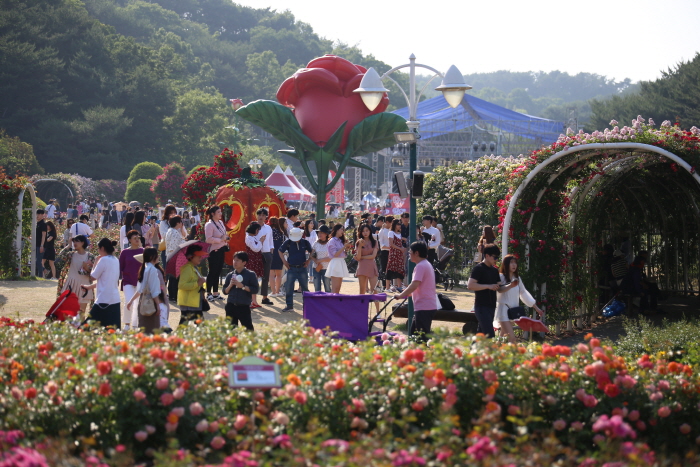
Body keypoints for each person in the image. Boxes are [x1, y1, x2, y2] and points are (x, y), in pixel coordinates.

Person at [494, 255, 544, 343]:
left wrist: (537, 309)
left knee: (502, 337)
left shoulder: (517, 278)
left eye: (515, 262)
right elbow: (499, 289)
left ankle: (493, 353)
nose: (514, 265)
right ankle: (516, 355)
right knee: (512, 338)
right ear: (506, 264)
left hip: (512, 312)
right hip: (503, 311)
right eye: (511, 262)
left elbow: (524, 293)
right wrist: (510, 285)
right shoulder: (501, 276)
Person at [393, 242, 437, 341]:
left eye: (410, 251)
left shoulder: (420, 266)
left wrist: (400, 295)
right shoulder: (426, 264)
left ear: (416, 253)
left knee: (420, 338)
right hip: (426, 306)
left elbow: (414, 285)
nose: (409, 253)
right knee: (414, 335)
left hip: (424, 307)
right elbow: (418, 287)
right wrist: (405, 293)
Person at [127, 248, 169, 334]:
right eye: (156, 255)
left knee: (144, 329)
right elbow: (154, 291)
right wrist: (158, 305)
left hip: (143, 302)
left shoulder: (145, 268)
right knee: (153, 330)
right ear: (151, 257)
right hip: (152, 303)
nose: (158, 257)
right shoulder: (153, 270)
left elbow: (140, 290)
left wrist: (130, 301)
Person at [82, 239, 121, 328]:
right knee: (112, 330)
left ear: (102, 248)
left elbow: (93, 276)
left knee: (87, 327)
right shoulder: (115, 260)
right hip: (115, 300)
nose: (98, 251)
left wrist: (95, 261)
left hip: (103, 300)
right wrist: (89, 287)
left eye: (98, 249)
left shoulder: (103, 260)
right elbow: (107, 281)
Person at [55, 235, 95, 318]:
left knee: (81, 312)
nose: (75, 243)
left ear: (83, 242)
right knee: (68, 311)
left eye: (77, 241)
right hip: (71, 284)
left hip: (84, 286)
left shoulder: (90, 256)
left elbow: (94, 273)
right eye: (74, 241)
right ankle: (70, 329)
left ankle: (80, 329)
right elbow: (60, 256)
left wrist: (87, 268)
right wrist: (68, 245)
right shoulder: (71, 254)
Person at [467, 243, 501, 338]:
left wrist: (511, 285)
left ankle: (473, 351)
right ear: (487, 255)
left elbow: (500, 286)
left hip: (491, 306)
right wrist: (488, 286)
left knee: (481, 334)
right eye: (495, 257)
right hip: (481, 307)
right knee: (489, 334)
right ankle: (492, 352)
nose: (496, 260)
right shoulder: (478, 268)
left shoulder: (494, 271)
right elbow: (470, 285)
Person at [223, 251, 259, 330]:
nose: (235, 262)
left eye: (237, 260)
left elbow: (255, 290)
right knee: (230, 331)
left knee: (248, 330)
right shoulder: (230, 275)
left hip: (243, 307)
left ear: (244, 262)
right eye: (234, 260)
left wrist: (243, 286)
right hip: (230, 305)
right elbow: (225, 292)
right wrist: (230, 285)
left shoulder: (251, 274)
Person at [278, 227, 312, 312]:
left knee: (304, 288)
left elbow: (312, 251)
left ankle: (306, 306)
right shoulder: (288, 242)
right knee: (289, 287)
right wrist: (284, 261)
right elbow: (280, 251)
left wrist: (308, 261)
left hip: (302, 267)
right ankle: (289, 306)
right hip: (292, 267)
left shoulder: (305, 242)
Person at [204, 206, 230, 301]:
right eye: (218, 212)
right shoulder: (209, 224)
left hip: (221, 249)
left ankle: (215, 292)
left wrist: (225, 238)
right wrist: (220, 239)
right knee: (212, 272)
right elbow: (208, 239)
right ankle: (209, 293)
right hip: (214, 251)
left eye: (220, 212)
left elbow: (223, 234)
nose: (220, 214)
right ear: (212, 214)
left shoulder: (221, 222)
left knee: (218, 271)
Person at [119, 230, 144, 331]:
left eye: (138, 237)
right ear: (129, 240)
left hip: (140, 280)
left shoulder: (143, 251)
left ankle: (135, 324)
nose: (137, 239)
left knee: (137, 303)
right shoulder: (125, 252)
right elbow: (120, 267)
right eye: (135, 238)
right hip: (127, 280)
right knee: (129, 301)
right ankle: (127, 323)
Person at [178, 244, 208, 324]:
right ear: (191, 257)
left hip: (194, 302)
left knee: (187, 326)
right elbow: (182, 285)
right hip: (189, 304)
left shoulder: (194, 267)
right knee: (194, 326)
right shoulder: (187, 268)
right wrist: (197, 283)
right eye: (198, 256)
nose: (200, 258)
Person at [244, 222, 265, 308]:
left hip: (255, 261)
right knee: (251, 282)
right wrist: (261, 241)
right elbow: (256, 249)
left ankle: (254, 301)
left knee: (254, 282)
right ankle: (250, 301)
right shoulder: (249, 238)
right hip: (252, 261)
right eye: (257, 230)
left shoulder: (251, 237)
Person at [326, 224, 352, 294]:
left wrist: (346, 248)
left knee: (338, 288)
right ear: (337, 230)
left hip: (341, 262)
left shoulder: (340, 240)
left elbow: (342, 253)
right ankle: (332, 303)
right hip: (335, 263)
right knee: (335, 288)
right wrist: (344, 247)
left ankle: (335, 303)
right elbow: (335, 254)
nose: (342, 231)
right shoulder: (332, 241)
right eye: (341, 229)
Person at [355, 223, 379, 297]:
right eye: (363, 231)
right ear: (360, 232)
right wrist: (359, 246)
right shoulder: (358, 242)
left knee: (374, 290)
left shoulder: (374, 242)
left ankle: (378, 309)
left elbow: (373, 256)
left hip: (371, 266)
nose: (365, 233)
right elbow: (358, 257)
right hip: (362, 267)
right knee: (362, 291)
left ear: (370, 231)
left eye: (367, 230)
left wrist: (362, 257)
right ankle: (361, 308)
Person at [255, 208, 274, 306]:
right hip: (256, 253)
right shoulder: (253, 226)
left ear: (266, 217)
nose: (261, 217)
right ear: (256, 215)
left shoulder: (268, 228)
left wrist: (271, 251)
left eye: (263, 215)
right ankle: (252, 299)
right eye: (259, 214)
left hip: (266, 253)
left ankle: (264, 297)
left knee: (265, 276)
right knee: (254, 276)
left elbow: (271, 241)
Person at [165, 215, 185, 300]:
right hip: (174, 257)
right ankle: (174, 296)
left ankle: (172, 295)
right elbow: (175, 247)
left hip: (171, 257)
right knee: (175, 278)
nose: (182, 223)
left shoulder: (170, 231)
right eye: (181, 222)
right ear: (177, 223)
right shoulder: (174, 232)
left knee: (173, 278)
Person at [386, 219, 407, 292]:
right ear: (394, 225)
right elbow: (391, 244)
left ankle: (399, 286)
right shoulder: (391, 232)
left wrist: (402, 249)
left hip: (399, 254)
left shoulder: (399, 233)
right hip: (393, 253)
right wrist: (400, 248)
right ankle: (387, 287)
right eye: (398, 224)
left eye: (400, 224)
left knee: (399, 269)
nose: (399, 226)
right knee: (390, 268)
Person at [268, 217, 286, 297]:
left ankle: (273, 292)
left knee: (271, 274)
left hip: (271, 253)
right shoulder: (281, 232)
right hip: (279, 254)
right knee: (279, 274)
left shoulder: (269, 231)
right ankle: (278, 291)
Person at [311, 225, 332, 292]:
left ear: (326, 234)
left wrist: (320, 260)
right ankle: (318, 302)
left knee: (327, 287)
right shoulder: (316, 243)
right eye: (319, 233)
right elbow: (311, 255)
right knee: (317, 287)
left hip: (326, 268)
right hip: (316, 267)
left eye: (321, 233)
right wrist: (315, 260)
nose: (319, 234)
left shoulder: (330, 244)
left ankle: (328, 301)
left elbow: (331, 257)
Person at [378, 216, 392, 291]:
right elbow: (382, 245)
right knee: (383, 268)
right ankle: (383, 285)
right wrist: (390, 247)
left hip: (391, 252)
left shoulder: (392, 230)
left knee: (390, 268)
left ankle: (389, 285)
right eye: (390, 222)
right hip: (384, 252)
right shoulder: (382, 231)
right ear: (387, 222)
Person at [35, 209, 47, 277]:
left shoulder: (43, 224)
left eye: (40, 214)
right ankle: (44, 270)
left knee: (38, 261)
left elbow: (44, 235)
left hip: (41, 245)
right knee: (36, 260)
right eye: (37, 214)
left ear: (43, 215)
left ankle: (40, 275)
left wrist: (42, 245)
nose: (38, 216)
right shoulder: (37, 223)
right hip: (36, 244)